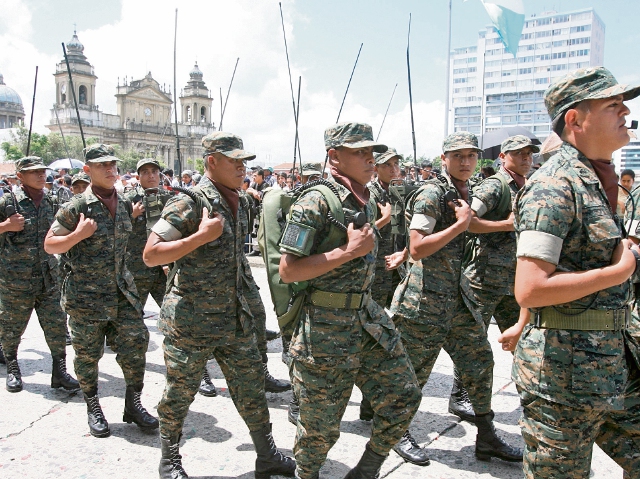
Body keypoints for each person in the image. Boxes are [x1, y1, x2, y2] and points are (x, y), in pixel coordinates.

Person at [509, 67, 640, 479]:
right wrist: (619, 271)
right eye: (612, 105)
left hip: (614, 363)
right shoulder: (555, 185)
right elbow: (531, 288)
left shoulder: (598, 180)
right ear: (575, 119)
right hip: (562, 379)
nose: (626, 112)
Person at [143, 132, 295, 479]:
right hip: (191, 321)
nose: (243, 168)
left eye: (245, 162)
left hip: (233, 318)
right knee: (179, 393)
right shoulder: (190, 203)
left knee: (251, 388)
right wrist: (199, 237)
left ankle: (266, 454)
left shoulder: (237, 199)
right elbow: (150, 255)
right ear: (212, 162)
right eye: (235, 161)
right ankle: (170, 461)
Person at [279, 122, 421, 479]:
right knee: (319, 431)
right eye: (359, 152)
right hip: (324, 328)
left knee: (405, 396)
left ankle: (366, 470)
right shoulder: (314, 200)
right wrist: (347, 252)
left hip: (366, 318)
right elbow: (288, 270)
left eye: (371, 151)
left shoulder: (368, 198)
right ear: (334, 157)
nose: (370, 159)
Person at [389, 132, 523, 465]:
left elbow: (470, 227)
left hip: (456, 298)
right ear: (444, 158)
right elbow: (418, 247)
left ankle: (486, 435)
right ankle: (395, 432)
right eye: (458, 156)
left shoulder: (465, 190)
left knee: (480, 363)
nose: (466, 162)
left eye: (471, 156)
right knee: (413, 374)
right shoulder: (432, 193)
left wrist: (478, 224)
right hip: (424, 300)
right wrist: (461, 226)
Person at [44, 144, 158, 438]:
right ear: (87, 170)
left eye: (112, 165)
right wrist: (78, 234)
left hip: (121, 293)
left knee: (136, 344)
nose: (109, 170)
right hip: (86, 298)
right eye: (101, 165)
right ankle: (93, 406)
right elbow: (50, 244)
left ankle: (133, 404)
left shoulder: (123, 202)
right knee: (87, 356)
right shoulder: (76, 206)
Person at [453, 135, 538, 422]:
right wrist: (505, 225)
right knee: (474, 342)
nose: (526, 158)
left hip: (515, 282)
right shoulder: (495, 185)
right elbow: (466, 221)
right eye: (519, 153)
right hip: (484, 279)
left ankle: (532, 394)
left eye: (529, 153)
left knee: (524, 340)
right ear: (503, 157)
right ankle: (461, 394)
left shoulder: (528, 186)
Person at [0, 156, 79, 393]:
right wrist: (5, 226)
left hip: (48, 276)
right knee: (11, 326)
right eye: (33, 172)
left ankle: (59, 371)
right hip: (15, 278)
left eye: (42, 171)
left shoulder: (53, 201)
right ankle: (13, 368)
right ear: (20, 176)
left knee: (56, 324)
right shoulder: (8, 202)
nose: (40, 175)